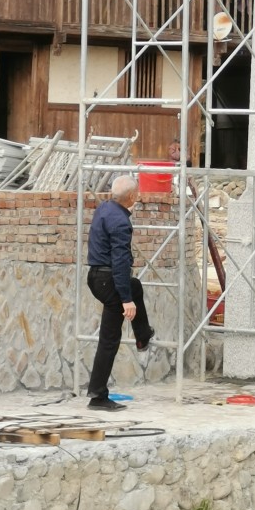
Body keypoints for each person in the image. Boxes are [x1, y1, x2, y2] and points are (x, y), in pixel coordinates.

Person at [86, 174, 154, 411]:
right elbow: (120, 262)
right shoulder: (121, 223)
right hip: (109, 280)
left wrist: (128, 293)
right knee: (109, 340)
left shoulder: (104, 209)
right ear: (132, 196)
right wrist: (126, 300)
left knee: (135, 286)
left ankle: (142, 334)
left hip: (96, 277)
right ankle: (98, 396)